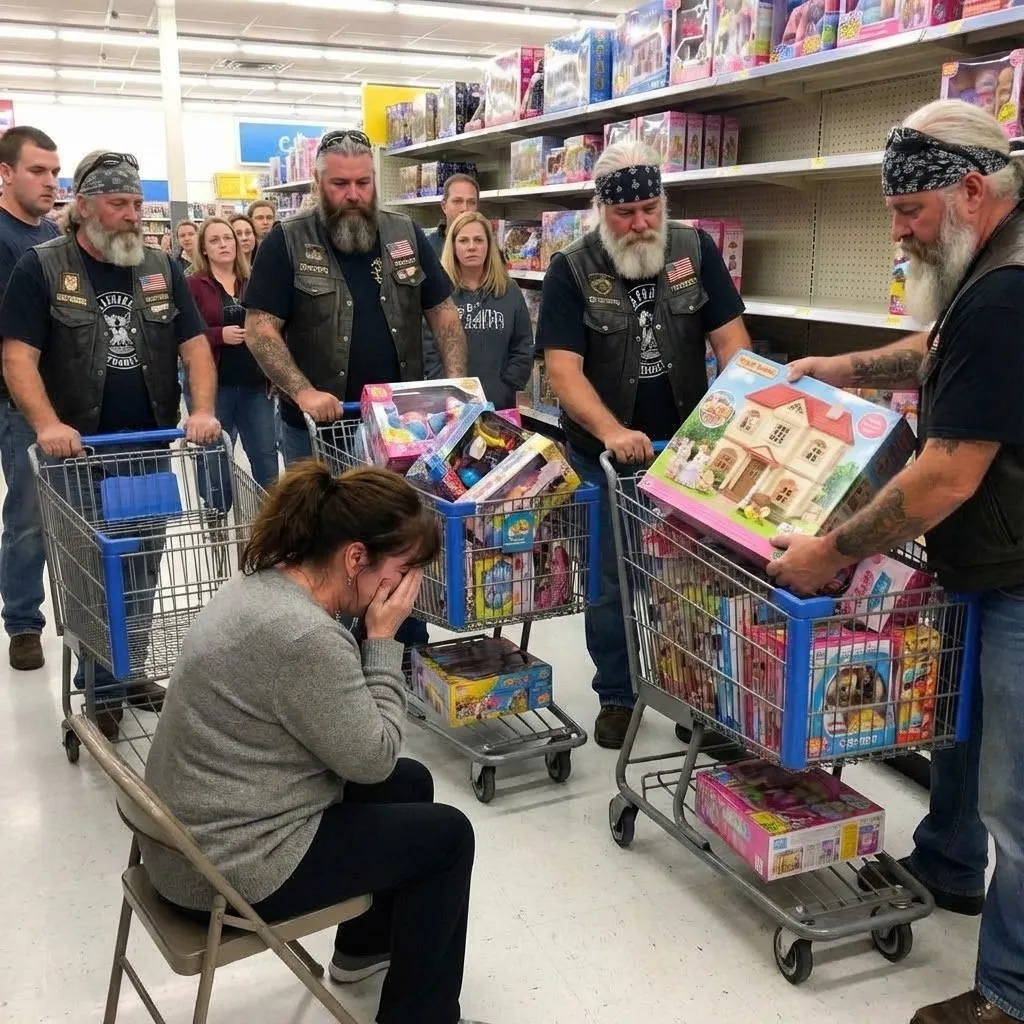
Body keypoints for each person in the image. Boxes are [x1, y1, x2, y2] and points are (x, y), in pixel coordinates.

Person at [767, 100, 1024, 1024]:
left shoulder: (1006, 290)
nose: (898, 230)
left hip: (1020, 572)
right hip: (992, 563)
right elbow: (941, 352)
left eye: (908, 209)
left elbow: (947, 474)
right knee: (961, 725)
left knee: (1017, 798)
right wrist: (843, 370)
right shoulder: (991, 262)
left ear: (970, 190)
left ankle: (1009, 994)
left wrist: (827, 553)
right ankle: (949, 864)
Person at [141, 461, 488, 1024]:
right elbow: (374, 758)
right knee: (448, 837)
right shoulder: (304, 637)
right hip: (226, 869)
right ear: (355, 557)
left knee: (412, 783)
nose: (408, 591)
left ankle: (361, 950)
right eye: (403, 572)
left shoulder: (264, 583)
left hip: (187, 836)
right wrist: (383, 638)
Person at [536, 139, 751, 750]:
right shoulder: (571, 268)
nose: (640, 224)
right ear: (601, 210)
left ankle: (691, 694)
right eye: (626, 213)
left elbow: (733, 343)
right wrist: (611, 432)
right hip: (605, 458)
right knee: (612, 582)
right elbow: (563, 371)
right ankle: (618, 693)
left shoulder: (694, 250)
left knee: (690, 581)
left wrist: (731, 414)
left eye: (650, 209)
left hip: (687, 452)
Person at [0, 150, 221, 739]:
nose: (132, 215)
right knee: (87, 575)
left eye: (137, 204)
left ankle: (124, 670)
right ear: (84, 206)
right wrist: (47, 424)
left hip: (146, 451)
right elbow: (18, 357)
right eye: (118, 203)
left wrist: (202, 411)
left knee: (145, 566)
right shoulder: (43, 267)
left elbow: (195, 348)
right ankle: (97, 683)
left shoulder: (160, 266)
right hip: (75, 459)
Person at [243, 128, 468, 466]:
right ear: (318, 182)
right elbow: (260, 330)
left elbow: (444, 314)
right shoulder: (286, 241)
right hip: (317, 432)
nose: (353, 194)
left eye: (363, 183)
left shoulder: (405, 233)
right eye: (340, 184)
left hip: (401, 428)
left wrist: (456, 387)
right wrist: (304, 392)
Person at [0, 125, 61, 671]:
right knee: (27, 517)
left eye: (55, 172)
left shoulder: (52, 238)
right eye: (37, 170)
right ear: (6, 173)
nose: (50, 182)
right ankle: (22, 621)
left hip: (67, 398)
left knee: (73, 517)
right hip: (18, 401)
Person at [187, 217, 278, 491]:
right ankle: (217, 511)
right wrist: (219, 335)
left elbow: (273, 326)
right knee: (214, 461)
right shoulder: (193, 285)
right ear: (204, 249)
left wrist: (276, 372)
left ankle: (274, 513)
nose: (223, 245)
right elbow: (184, 335)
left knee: (266, 457)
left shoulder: (254, 280)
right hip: (215, 389)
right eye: (214, 240)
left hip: (255, 385)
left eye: (228, 239)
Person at [432, 210, 533, 409]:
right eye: (463, 240)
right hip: (449, 405)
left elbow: (523, 345)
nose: (472, 247)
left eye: (478, 240)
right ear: (453, 246)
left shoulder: (509, 290)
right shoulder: (439, 292)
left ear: (489, 245)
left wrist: (507, 387)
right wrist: (444, 391)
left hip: (499, 404)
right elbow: (428, 348)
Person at [425, 173, 480, 256]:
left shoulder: (488, 248)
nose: (465, 208)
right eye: (457, 201)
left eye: (471, 202)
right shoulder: (427, 247)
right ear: (444, 206)